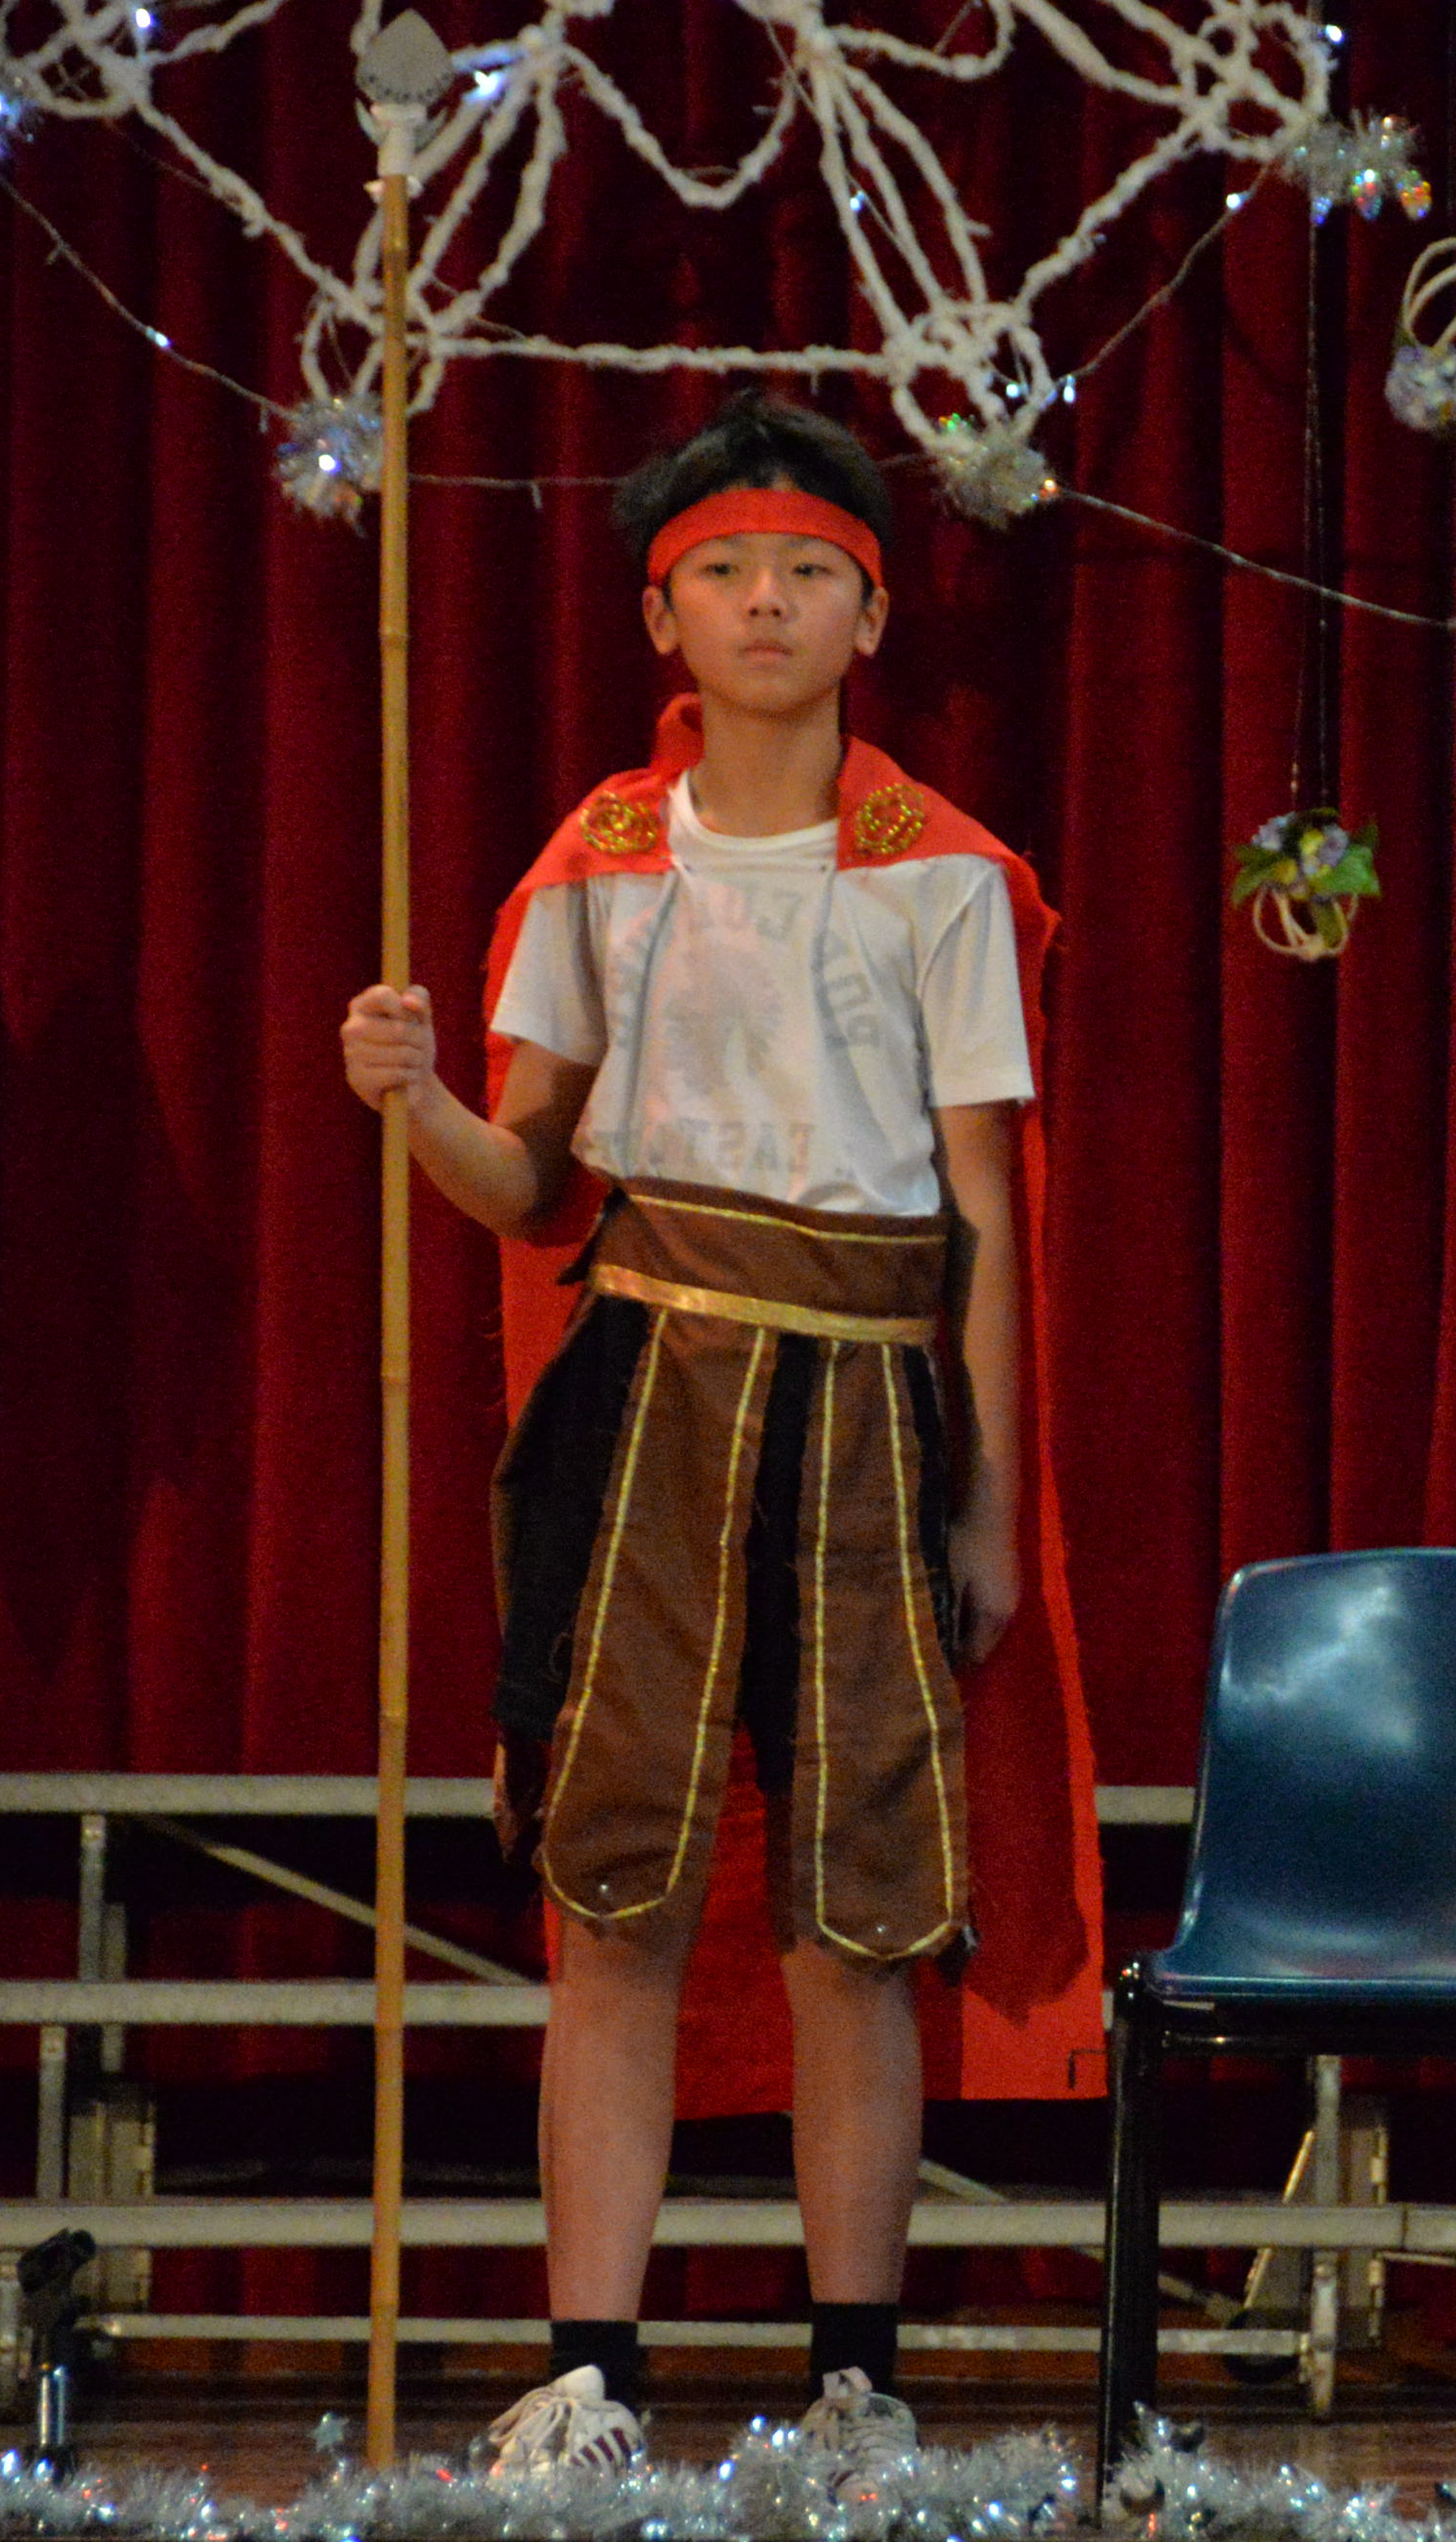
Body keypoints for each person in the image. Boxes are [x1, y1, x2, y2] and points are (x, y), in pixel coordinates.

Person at [337, 391, 1065, 2484]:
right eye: (727, 572)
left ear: (871, 614)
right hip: (647, 1391)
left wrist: (991, 1500)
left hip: (867, 1403)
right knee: (618, 1893)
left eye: (809, 571)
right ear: (664, 616)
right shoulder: (600, 863)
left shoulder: (941, 879)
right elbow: (527, 1182)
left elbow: (984, 1215)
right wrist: (415, 1098)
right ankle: (591, 2367)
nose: (767, 603)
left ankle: (856, 2376)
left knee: (857, 1913)